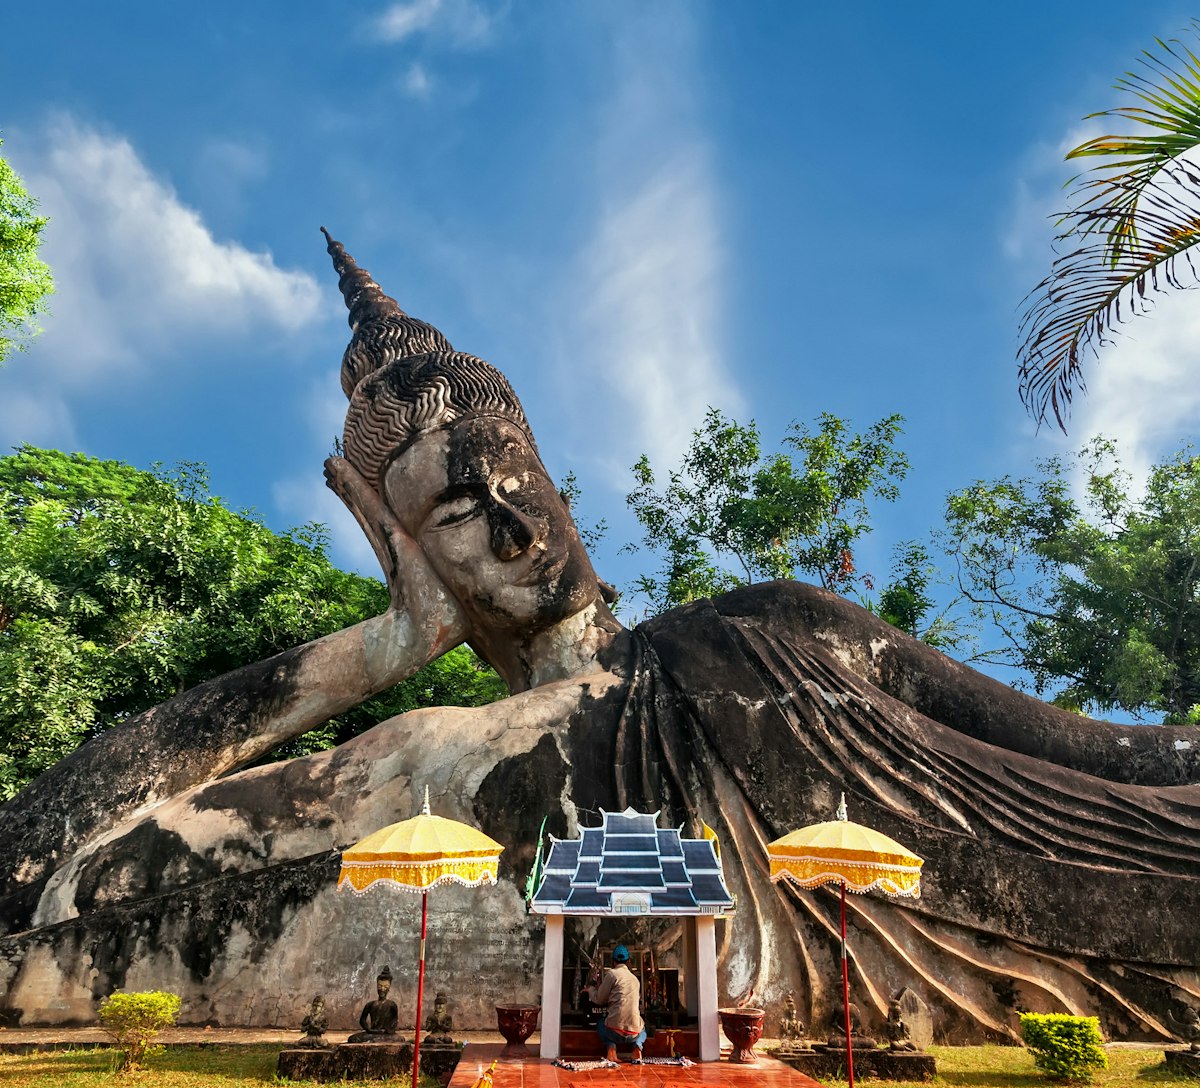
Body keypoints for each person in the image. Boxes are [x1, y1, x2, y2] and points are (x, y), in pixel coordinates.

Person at [2, 232, 1198, 1043]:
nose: (518, 532)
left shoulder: (766, 629)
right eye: (461, 521)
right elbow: (45, 873)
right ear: (399, 543)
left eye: (519, 487)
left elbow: (1123, 758)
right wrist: (381, 647)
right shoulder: (426, 752)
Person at [592, 945, 646, 1063]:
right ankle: (637, 1046)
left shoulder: (612, 974)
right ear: (629, 961)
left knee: (600, 1024)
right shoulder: (635, 980)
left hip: (613, 1032)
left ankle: (611, 1048)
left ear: (613, 962)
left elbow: (599, 999)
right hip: (633, 1034)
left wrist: (590, 990)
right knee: (643, 1029)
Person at [347, 966, 400, 1043]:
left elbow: (394, 1021)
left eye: (385, 986)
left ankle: (376, 1040)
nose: (382, 989)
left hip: (386, 1034)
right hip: (372, 1033)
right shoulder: (370, 1004)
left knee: (398, 1039)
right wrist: (369, 1029)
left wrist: (387, 1030)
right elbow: (362, 1020)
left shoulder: (392, 1005)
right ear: (376, 986)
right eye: (380, 986)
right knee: (352, 1039)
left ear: (389, 988)